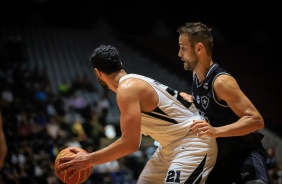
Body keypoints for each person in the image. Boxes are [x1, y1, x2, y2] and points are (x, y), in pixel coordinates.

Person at [57, 44, 218, 183]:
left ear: (97, 73)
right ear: (120, 64)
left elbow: (130, 144)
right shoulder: (134, 83)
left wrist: (89, 159)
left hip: (193, 142)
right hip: (171, 146)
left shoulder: (127, 90)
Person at [177, 22, 269, 184]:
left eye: (183, 47)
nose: (179, 53)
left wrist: (216, 131)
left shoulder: (221, 82)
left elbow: (256, 121)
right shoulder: (196, 78)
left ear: (199, 49)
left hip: (244, 154)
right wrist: (192, 99)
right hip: (221, 158)